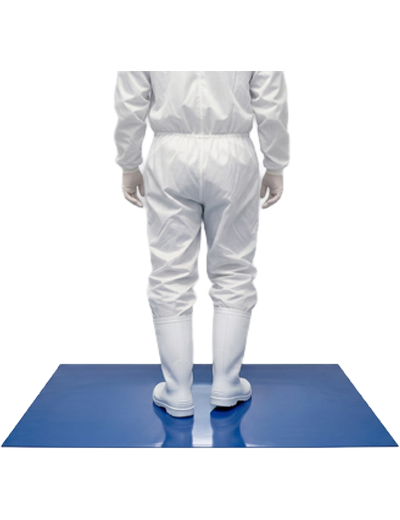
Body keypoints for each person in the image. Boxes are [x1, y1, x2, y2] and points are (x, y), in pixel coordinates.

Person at [113, 71, 291, 418]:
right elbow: (272, 101)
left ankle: (177, 389)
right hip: (234, 156)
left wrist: (129, 162)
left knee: (170, 270)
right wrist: (275, 163)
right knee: (234, 267)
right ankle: (226, 382)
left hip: (169, 155)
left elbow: (130, 100)